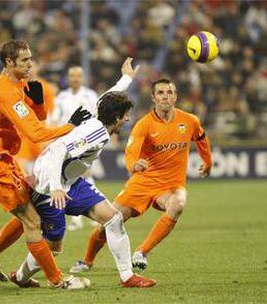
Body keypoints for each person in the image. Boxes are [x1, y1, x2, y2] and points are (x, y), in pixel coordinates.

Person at [9, 58, 156, 289]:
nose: (127, 119)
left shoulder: (97, 111)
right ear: (117, 117)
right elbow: (58, 149)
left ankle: (127, 277)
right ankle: (21, 277)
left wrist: (126, 78)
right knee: (54, 247)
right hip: (49, 186)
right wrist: (56, 186)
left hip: (71, 183)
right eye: (126, 115)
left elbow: (110, 95)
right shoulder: (95, 133)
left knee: (114, 218)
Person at [0, 39, 91, 289]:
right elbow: (35, 133)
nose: (30, 64)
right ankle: (58, 280)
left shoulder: (19, 84)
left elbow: (36, 120)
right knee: (32, 221)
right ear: (9, 62)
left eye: (30, 59)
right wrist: (70, 126)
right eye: (25, 60)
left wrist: (38, 104)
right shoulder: (5, 90)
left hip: (3, 159)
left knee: (26, 212)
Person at [70, 78, 212, 273]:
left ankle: (141, 252)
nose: (165, 96)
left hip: (171, 186)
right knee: (110, 222)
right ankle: (87, 261)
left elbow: (202, 139)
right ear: (153, 98)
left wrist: (208, 162)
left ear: (175, 97)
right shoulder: (144, 125)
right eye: (161, 93)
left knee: (178, 204)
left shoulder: (189, 121)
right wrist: (133, 165)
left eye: (169, 92)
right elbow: (131, 152)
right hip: (143, 183)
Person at [49, 66, 99, 231]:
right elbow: (54, 118)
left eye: (78, 75)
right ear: (68, 78)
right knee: (69, 177)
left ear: (82, 77)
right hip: (66, 141)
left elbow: (98, 116)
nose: (75, 78)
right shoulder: (62, 97)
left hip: (85, 139)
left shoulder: (90, 95)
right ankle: (77, 218)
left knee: (85, 174)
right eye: (72, 76)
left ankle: (94, 210)